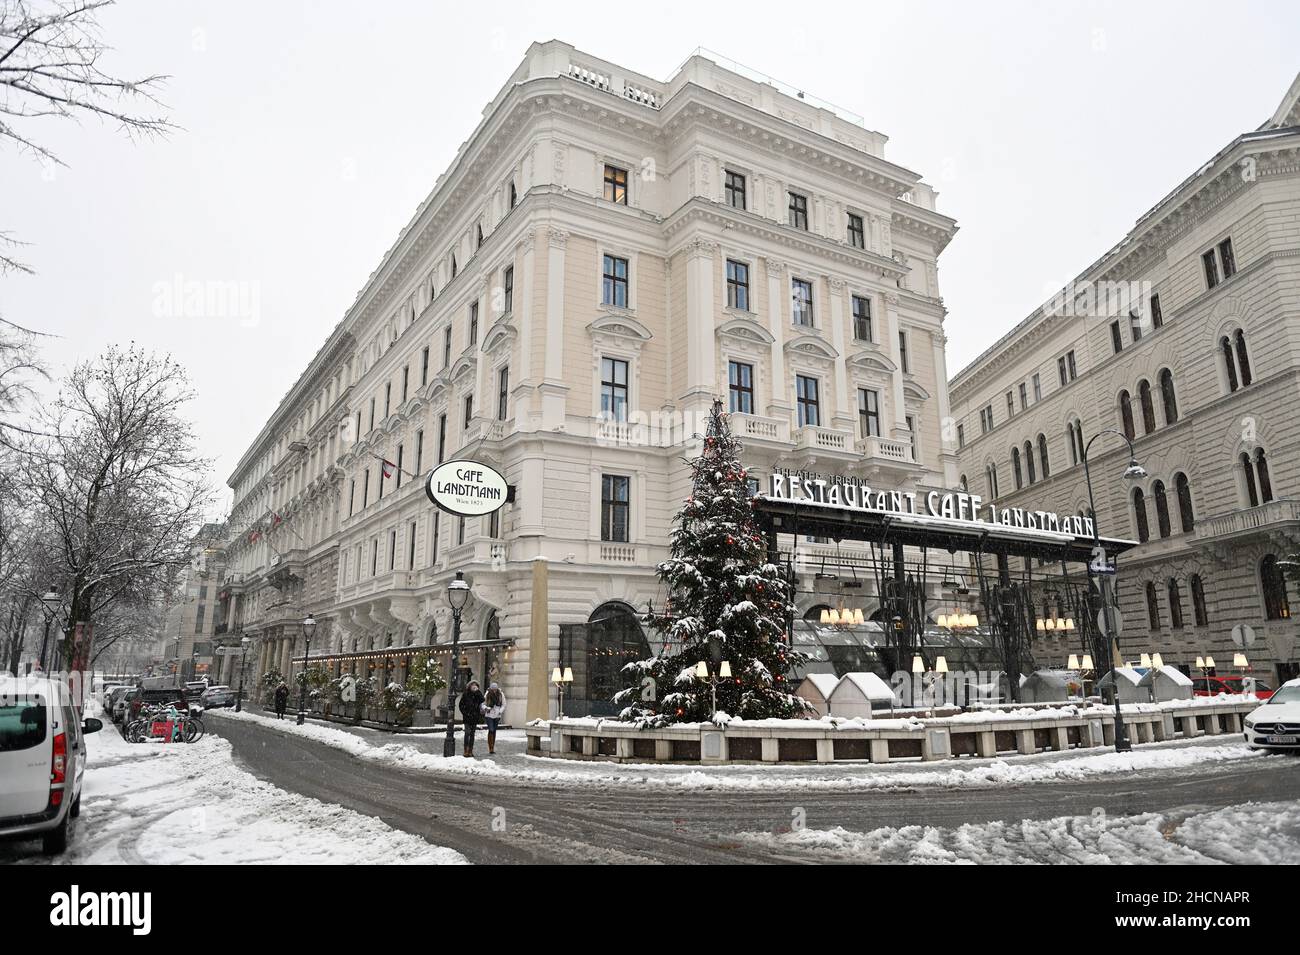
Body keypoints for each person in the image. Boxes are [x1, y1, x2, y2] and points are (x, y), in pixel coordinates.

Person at [458, 679, 485, 757]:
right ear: (469, 686)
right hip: (467, 717)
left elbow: (482, 700)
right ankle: (465, 750)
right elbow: (461, 705)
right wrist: (465, 713)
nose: (474, 687)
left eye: (475, 685)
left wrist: (478, 692)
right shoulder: (466, 694)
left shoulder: (477, 695)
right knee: (467, 733)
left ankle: (470, 750)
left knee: (472, 734)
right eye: (472, 685)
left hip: (474, 717)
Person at [483, 682, 506, 755]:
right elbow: (483, 704)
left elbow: (504, 704)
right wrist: (486, 708)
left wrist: (500, 711)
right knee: (491, 729)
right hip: (489, 714)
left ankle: (492, 747)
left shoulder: (500, 694)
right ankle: (490, 747)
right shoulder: (487, 694)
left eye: (495, 689)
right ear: (491, 689)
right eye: (493, 689)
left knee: (494, 731)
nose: (494, 691)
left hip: (497, 714)